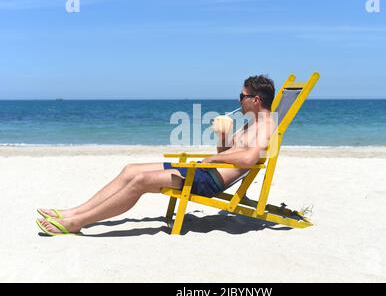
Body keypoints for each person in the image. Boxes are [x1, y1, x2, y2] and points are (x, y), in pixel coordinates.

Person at [36, 75, 277, 235]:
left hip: (208, 181)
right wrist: (223, 136)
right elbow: (229, 154)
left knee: (140, 182)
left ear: (256, 100)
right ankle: (74, 212)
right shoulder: (250, 125)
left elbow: (247, 160)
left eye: (242, 96)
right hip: (204, 173)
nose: (239, 100)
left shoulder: (266, 125)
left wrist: (212, 159)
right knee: (131, 169)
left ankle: (78, 223)